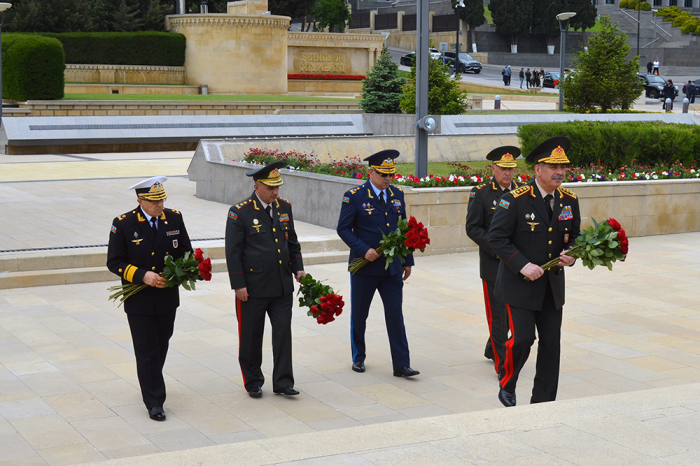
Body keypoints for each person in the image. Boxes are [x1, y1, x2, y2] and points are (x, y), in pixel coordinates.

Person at [488, 137, 581, 408]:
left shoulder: (569, 200)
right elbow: (497, 238)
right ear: (537, 169)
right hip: (520, 287)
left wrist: (573, 254)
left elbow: (574, 236)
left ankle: (544, 399)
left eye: (562, 167)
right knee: (522, 340)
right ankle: (508, 383)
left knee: (551, 344)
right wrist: (522, 265)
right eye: (552, 166)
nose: (560, 172)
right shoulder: (514, 200)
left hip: (552, 288)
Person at [107, 176, 193, 422]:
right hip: (140, 298)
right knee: (146, 350)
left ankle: (150, 379)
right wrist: (143, 275)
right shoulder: (123, 223)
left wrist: (179, 271)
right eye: (154, 201)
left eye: (162, 199)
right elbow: (114, 261)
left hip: (166, 296)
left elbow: (185, 251)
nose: (160, 204)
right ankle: (154, 400)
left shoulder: (174, 218)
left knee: (161, 344)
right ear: (140, 200)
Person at [225, 161, 306, 398]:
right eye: (271, 188)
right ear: (257, 185)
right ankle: (253, 381)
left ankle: (283, 382)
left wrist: (298, 268)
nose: (276, 192)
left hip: (281, 286)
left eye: (278, 187)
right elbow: (233, 251)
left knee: (283, 334)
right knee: (251, 337)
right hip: (253, 288)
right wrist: (238, 284)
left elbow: (292, 241)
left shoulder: (284, 207)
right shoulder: (240, 211)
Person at [337, 150, 419, 378]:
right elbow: (343, 229)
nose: (388, 179)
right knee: (360, 314)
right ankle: (358, 357)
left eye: (391, 174)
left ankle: (402, 364)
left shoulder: (397, 194)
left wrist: (407, 260)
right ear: (370, 172)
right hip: (364, 267)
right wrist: (364, 250)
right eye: (383, 174)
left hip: (391, 268)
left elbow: (404, 229)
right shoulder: (354, 196)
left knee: (395, 315)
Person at [466, 146, 525, 375]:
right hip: (494, 264)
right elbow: (473, 228)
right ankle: (502, 362)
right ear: (493, 168)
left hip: (518, 264)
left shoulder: (522, 191)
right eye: (503, 169)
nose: (508, 174)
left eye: (511, 169)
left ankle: (493, 347)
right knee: (498, 316)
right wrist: (499, 251)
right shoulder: (480, 193)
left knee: (514, 315)